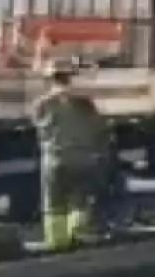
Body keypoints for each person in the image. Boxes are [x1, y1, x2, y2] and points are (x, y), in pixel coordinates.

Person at [33, 58, 111, 250]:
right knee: (79, 200)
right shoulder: (86, 103)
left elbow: (40, 129)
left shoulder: (42, 104)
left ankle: (57, 243)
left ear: (50, 79)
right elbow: (100, 128)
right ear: (70, 78)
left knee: (53, 204)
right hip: (83, 160)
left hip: (55, 160)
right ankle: (77, 236)